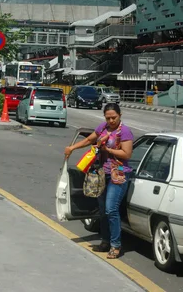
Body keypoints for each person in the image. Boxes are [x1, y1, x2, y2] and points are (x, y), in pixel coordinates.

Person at [64, 103, 134, 259]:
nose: (110, 121)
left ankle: (116, 245)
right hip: (102, 174)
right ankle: (105, 241)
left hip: (119, 175)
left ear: (120, 115)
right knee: (102, 210)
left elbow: (127, 154)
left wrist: (107, 150)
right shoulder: (103, 127)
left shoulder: (125, 132)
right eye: (108, 118)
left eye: (113, 117)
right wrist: (72, 148)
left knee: (111, 209)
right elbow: (89, 140)